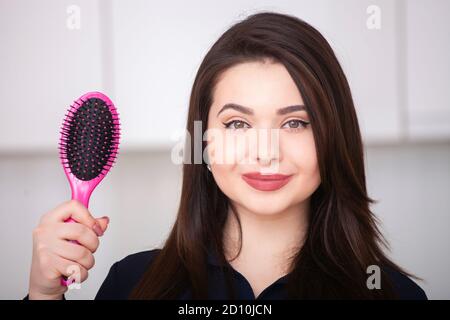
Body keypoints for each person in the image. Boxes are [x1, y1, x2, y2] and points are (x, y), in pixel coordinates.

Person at [26, 12, 427, 300]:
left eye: (295, 123)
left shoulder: (391, 294)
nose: (266, 152)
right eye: (237, 124)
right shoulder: (134, 284)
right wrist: (44, 295)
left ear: (333, 136)